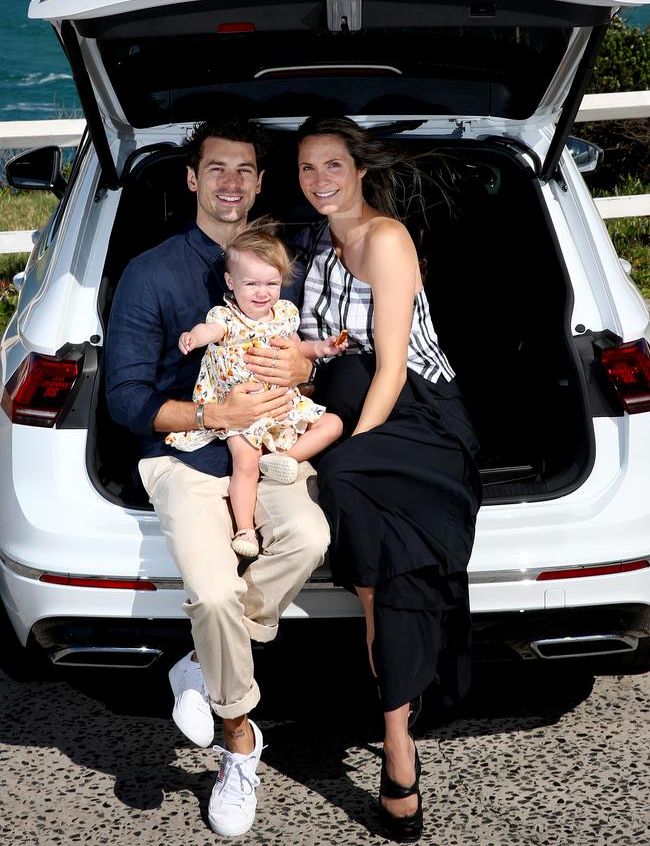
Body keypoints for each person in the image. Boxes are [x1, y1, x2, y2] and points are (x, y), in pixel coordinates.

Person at [104, 119, 330, 839]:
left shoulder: (275, 262)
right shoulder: (152, 273)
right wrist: (211, 407)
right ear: (193, 180)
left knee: (309, 539)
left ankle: (203, 662)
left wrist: (304, 366)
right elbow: (126, 400)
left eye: (246, 171)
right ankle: (240, 745)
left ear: (261, 183)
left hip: (267, 445)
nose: (232, 183)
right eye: (218, 169)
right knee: (212, 591)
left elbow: (308, 349)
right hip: (186, 454)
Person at [294, 116, 482, 843]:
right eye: (307, 169)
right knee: (380, 575)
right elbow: (323, 350)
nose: (319, 181)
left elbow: (395, 366)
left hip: (418, 413)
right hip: (349, 398)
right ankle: (398, 727)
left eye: (331, 166)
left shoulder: (387, 239)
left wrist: (346, 448)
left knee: (351, 488)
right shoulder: (316, 243)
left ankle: (397, 739)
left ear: (359, 168)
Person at [165, 223, 345, 559]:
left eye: (271, 283)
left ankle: (283, 461)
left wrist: (323, 349)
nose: (262, 293)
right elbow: (210, 329)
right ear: (231, 283)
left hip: (282, 405)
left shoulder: (285, 314)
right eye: (251, 284)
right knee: (245, 463)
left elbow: (298, 348)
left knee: (333, 423)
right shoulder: (228, 318)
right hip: (240, 411)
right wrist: (194, 337)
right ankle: (245, 528)